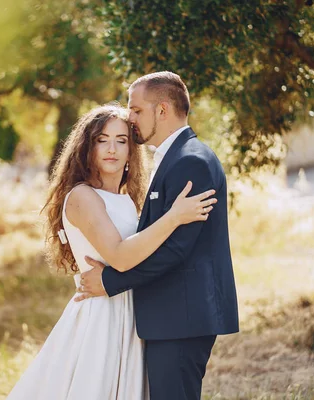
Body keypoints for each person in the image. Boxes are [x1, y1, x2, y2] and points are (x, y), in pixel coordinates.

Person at [6, 102, 217, 400]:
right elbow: (119, 255)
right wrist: (175, 216)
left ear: (132, 150)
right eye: (102, 140)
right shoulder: (82, 196)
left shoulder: (128, 199)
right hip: (101, 314)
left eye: (121, 141)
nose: (112, 149)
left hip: (133, 310)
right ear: (86, 147)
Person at [76, 72, 239, 400]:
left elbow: (176, 249)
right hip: (171, 315)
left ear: (162, 110)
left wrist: (110, 282)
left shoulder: (190, 162)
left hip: (181, 315)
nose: (130, 118)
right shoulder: (174, 158)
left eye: (136, 110)